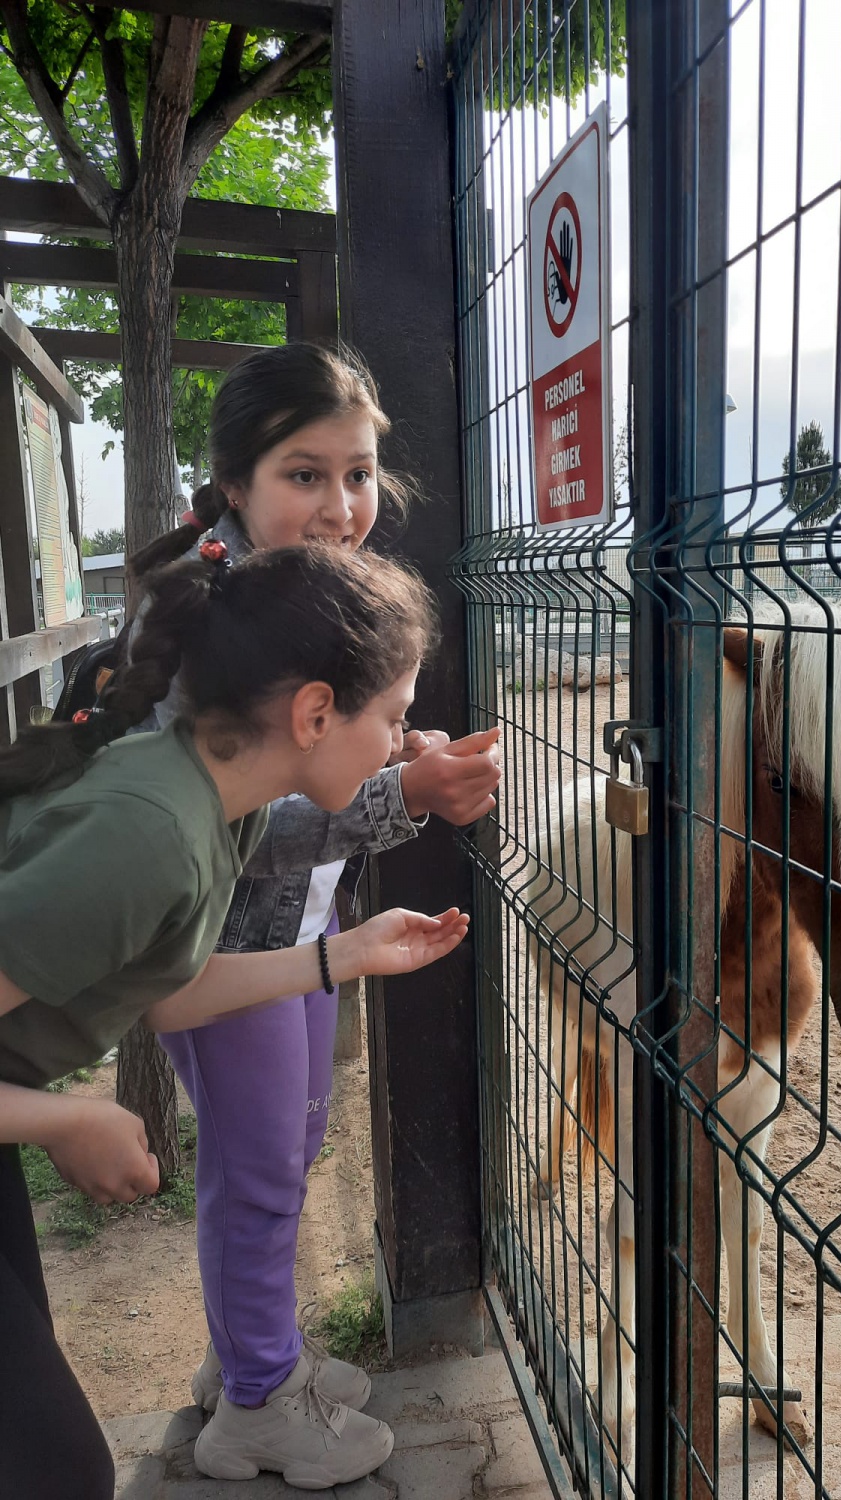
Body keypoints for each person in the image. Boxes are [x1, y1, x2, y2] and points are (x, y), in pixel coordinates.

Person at [0, 541, 468, 1499]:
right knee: (53, 1467)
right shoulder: (153, 831)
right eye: (393, 716)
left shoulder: (222, 802)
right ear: (312, 712)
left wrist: (348, 953)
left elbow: (165, 990)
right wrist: (65, 1119)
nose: (401, 744)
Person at [125, 342, 502, 1489]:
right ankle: (254, 1408)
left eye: (359, 472)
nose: (342, 508)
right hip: (225, 952)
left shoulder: (297, 590)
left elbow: (313, 762)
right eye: (305, 474)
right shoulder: (208, 618)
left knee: (287, 1149)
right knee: (261, 1169)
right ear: (233, 480)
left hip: (299, 936)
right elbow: (230, 822)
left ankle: (252, 1359)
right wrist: (407, 796)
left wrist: (396, 750)